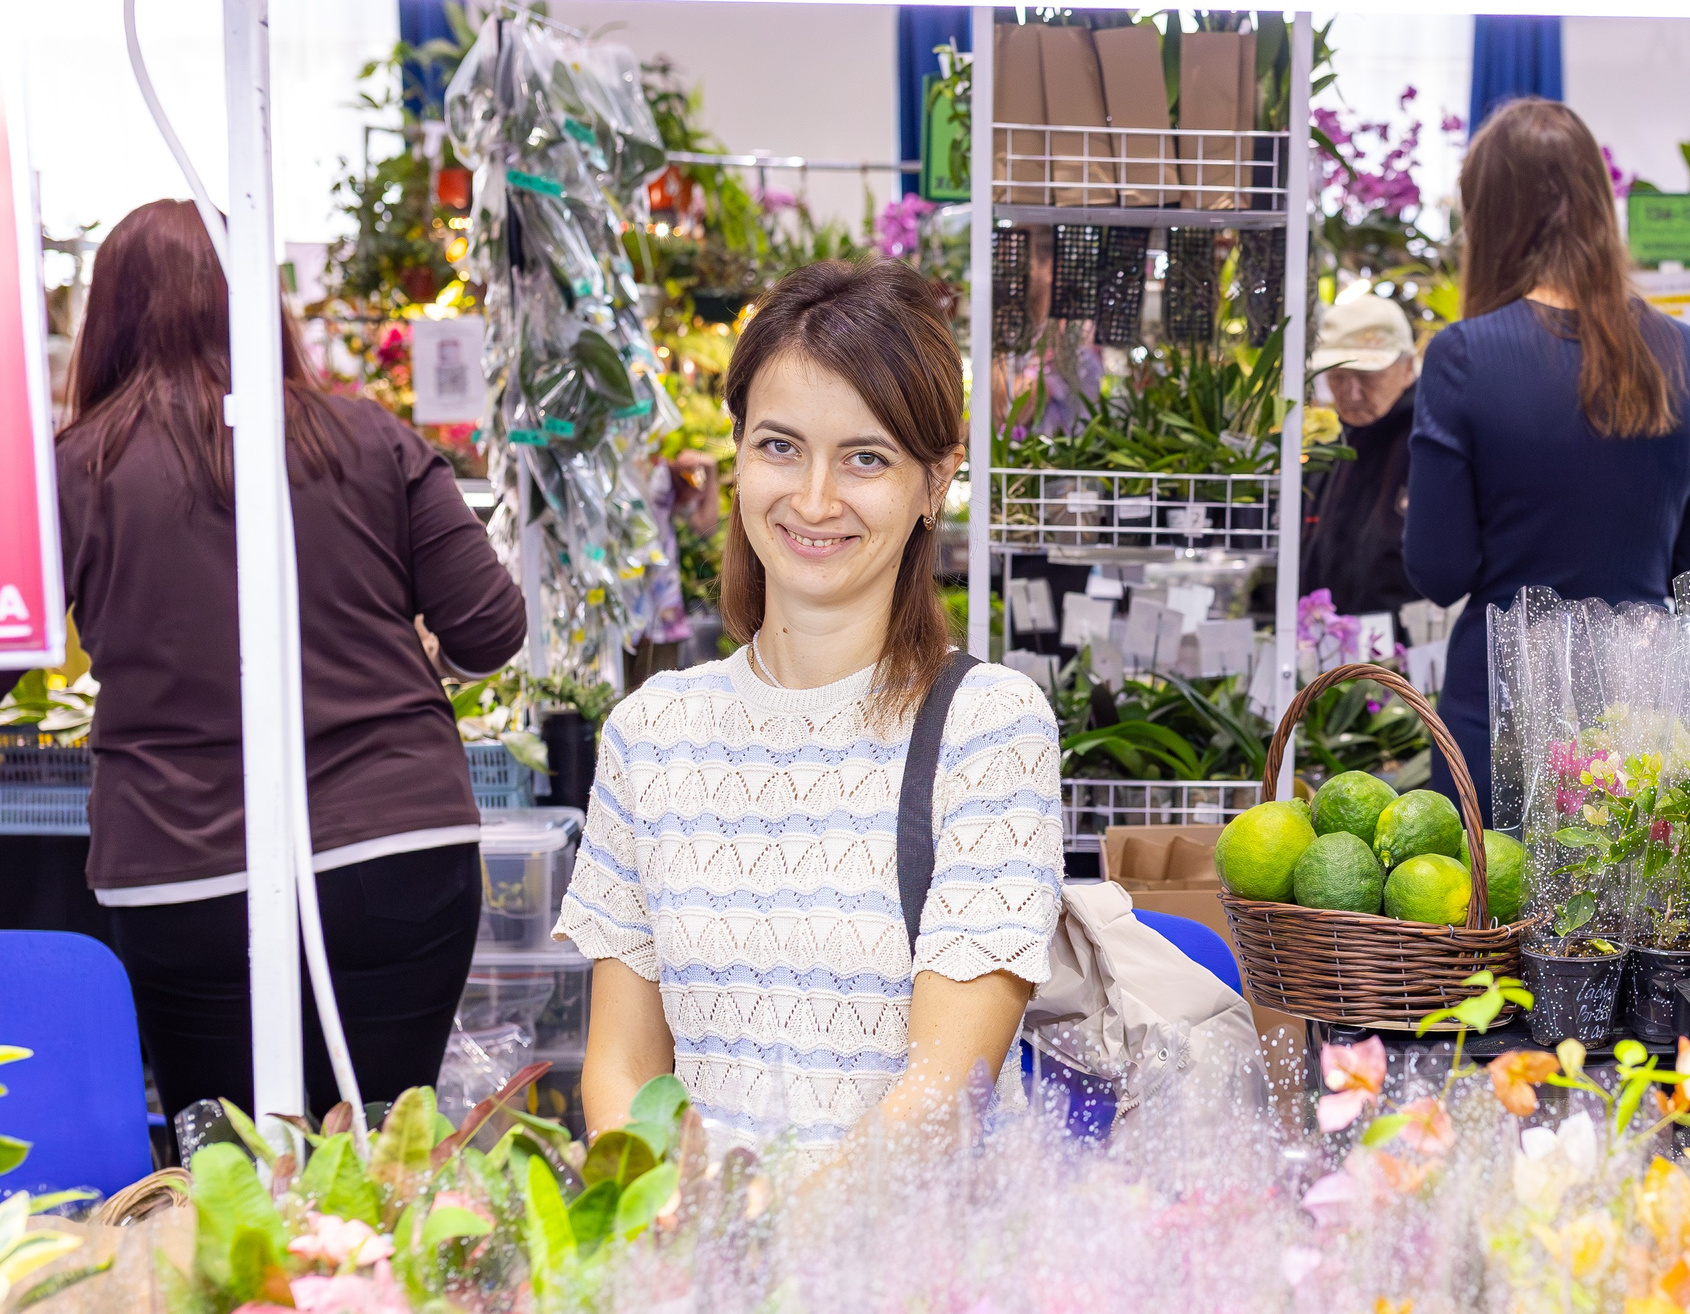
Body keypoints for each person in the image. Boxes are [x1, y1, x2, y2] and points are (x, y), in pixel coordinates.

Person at [559, 261, 1065, 1137]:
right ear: (740, 451)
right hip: (694, 1249)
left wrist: (766, 1238)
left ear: (934, 481)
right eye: (780, 445)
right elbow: (623, 1066)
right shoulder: (650, 734)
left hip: (895, 1263)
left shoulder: (988, 727)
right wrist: (668, 1221)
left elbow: (941, 1097)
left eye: (865, 457)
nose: (814, 499)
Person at [56, 200, 527, 1122]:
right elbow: (490, 628)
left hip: (184, 869)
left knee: (234, 1178)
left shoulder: (71, 473)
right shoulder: (368, 438)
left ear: (106, 317)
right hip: (398, 846)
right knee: (386, 1156)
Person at [1403, 99, 1690, 812]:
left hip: (1499, 712)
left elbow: (1438, 569)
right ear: (1598, 205)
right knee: (1635, 920)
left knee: (1488, 916)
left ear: (1486, 217)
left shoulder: (1463, 358)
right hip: (1644, 717)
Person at [1303, 294, 1419, 616]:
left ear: (1408, 367)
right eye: (1338, 377)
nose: (1351, 393)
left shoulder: (1432, 444)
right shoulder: (1328, 439)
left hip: (1402, 653)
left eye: (1368, 376)